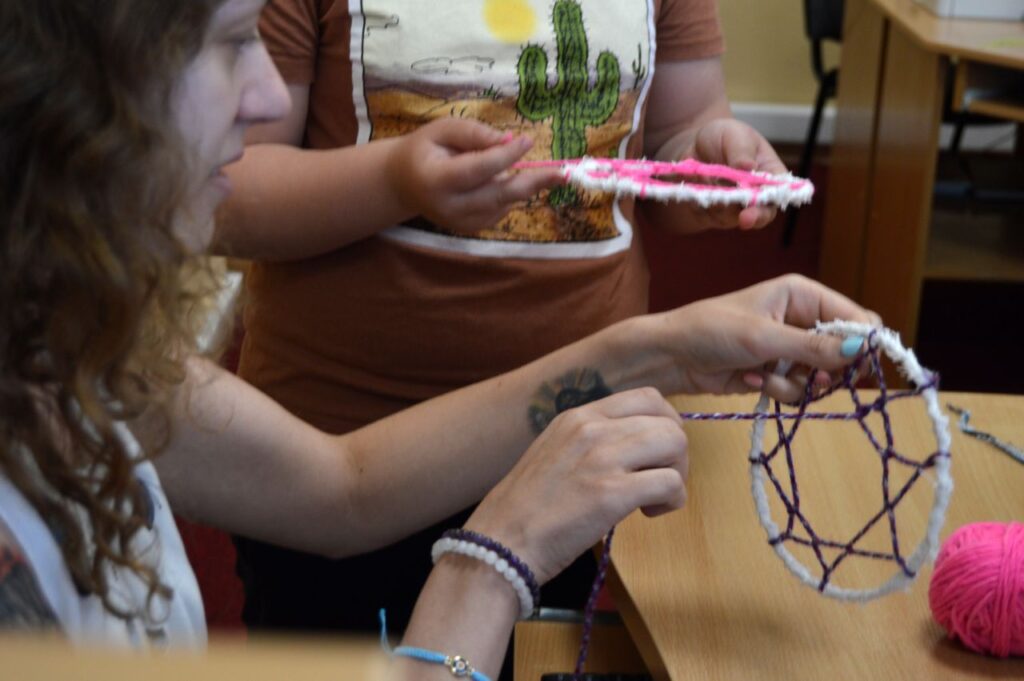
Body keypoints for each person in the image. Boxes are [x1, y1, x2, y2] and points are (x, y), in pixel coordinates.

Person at [0, 0, 878, 676]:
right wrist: (492, 561)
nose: (265, 93)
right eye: (231, 43)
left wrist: (662, 350)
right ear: (64, 90)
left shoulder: (77, 357)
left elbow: (343, 486)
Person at [217, 0, 793, 634]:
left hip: (569, 440)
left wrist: (707, 163)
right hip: (336, 449)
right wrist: (396, 183)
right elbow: (225, 196)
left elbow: (680, 132)